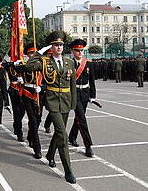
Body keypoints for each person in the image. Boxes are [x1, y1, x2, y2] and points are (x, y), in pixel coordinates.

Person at [23, 30, 77, 184]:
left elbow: (73, 84)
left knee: (59, 133)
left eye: (60, 44)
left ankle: (50, 155)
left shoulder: (69, 62)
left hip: (66, 101)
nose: (59, 47)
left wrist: (73, 104)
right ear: (50, 47)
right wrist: (39, 52)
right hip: (52, 101)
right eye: (55, 45)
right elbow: (29, 67)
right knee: (62, 133)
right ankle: (68, 170)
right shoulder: (45, 62)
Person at [68, 39, 96, 158]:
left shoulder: (88, 64)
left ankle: (72, 137)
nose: (80, 52)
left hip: (85, 92)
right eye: (77, 50)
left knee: (79, 118)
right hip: (74, 93)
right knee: (82, 118)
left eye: (81, 50)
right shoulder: (69, 64)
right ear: (72, 51)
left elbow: (92, 81)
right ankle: (88, 145)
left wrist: (93, 95)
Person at [14, 42, 43, 159]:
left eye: (35, 53)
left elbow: (48, 80)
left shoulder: (43, 65)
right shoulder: (24, 65)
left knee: (38, 120)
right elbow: (16, 69)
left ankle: (31, 137)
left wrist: (42, 87)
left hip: (39, 95)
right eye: (31, 53)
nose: (33, 55)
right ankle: (37, 148)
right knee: (33, 120)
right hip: (27, 94)